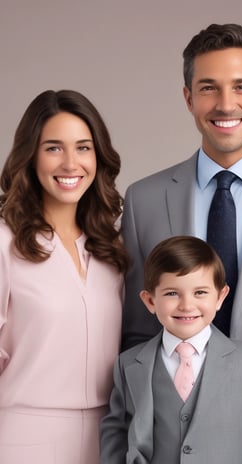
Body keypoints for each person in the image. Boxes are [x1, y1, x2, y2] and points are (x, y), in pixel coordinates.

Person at [121, 23, 242, 407]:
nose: (225, 104)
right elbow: (137, 334)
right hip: (175, 428)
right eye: (208, 88)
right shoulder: (144, 200)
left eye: (241, 86)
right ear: (188, 98)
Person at [0, 89, 129, 464]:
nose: (71, 163)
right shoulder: (5, 241)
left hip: (107, 439)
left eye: (83, 148)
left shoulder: (109, 249)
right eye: (53, 148)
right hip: (24, 438)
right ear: (31, 156)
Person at [100, 235, 242, 464]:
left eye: (200, 292)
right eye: (172, 293)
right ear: (150, 301)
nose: (187, 305)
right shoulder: (128, 364)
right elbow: (116, 435)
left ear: (220, 297)